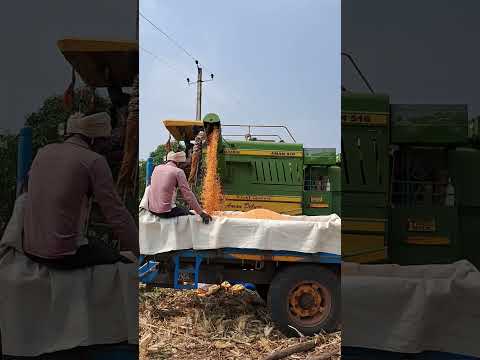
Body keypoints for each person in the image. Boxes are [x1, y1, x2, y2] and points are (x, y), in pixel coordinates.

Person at [23, 112, 139, 269]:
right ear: (93, 139)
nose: (105, 147)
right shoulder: (94, 160)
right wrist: (139, 250)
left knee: (96, 243)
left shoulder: (43, 151)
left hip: (30, 249)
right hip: (61, 256)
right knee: (119, 259)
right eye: (104, 142)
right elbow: (117, 214)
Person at [148, 151, 213, 223]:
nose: (184, 166)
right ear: (179, 163)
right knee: (192, 215)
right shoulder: (178, 171)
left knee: (181, 208)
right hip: (165, 212)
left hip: (151, 209)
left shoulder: (156, 168)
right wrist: (201, 213)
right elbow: (187, 194)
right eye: (184, 164)